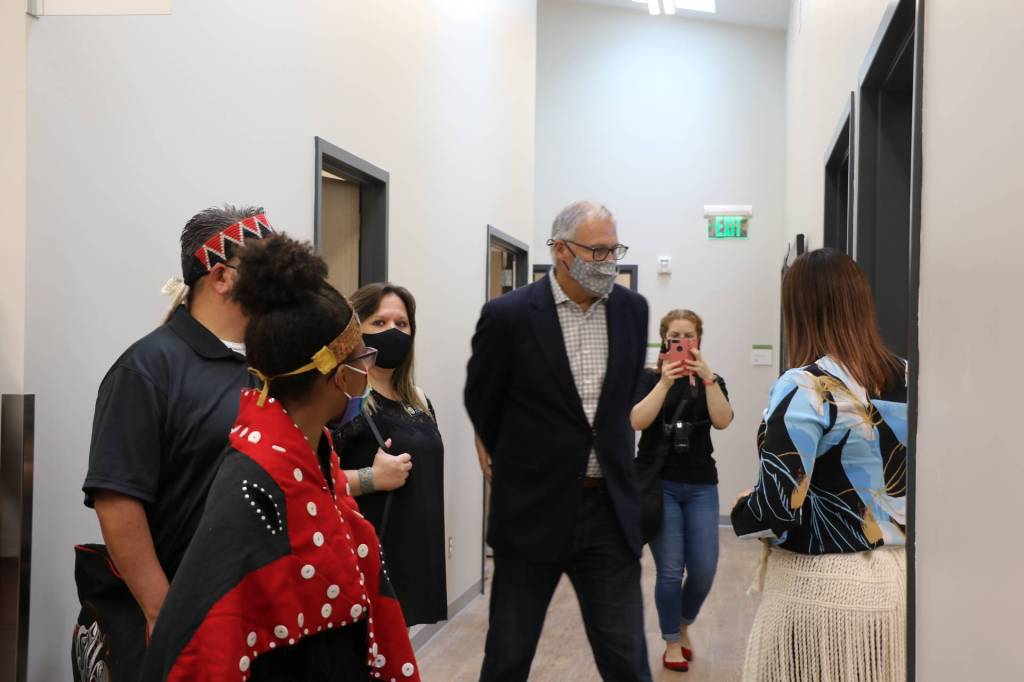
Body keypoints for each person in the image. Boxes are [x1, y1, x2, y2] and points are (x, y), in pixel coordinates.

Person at [139, 235, 419, 681]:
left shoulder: (313, 456)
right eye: (360, 356)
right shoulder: (254, 482)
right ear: (333, 375)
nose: (367, 368)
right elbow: (218, 640)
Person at [73, 206, 273, 681]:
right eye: (266, 268)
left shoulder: (265, 365)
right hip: (186, 620)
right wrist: (165, 614)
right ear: (222, 277)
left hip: (252, 614)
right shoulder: (147, 369)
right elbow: (117, 500)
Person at [465, 200, 652, 682]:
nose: (609, 261)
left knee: (629, 662)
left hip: (608, 512)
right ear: (562, 251)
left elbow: (624, 394)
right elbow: (482, 399)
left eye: (615, 249)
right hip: (532, 512)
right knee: (508, 658)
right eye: (598, 251)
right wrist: (519, 461)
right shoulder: (508, 316)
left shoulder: (633, 310)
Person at [732, 248, 908, 682]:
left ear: (799, 309)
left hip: (820, 593)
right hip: (898, 585)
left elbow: (776, 508)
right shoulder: (906, 375)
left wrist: (741, 509)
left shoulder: (804, 386)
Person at [332, 283, 447, 627]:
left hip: (414, 558)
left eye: (402, 324)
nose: (393, 332)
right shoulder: (343, 402)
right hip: (366, 558)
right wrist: (371, 478)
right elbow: (310, 480)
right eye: (379, 323)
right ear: (357, 331)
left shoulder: (419, 399)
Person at [630, 309, 733, 673]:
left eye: (688, 336)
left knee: (704, 568)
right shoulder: (647, 378)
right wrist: (663, 383)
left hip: (702, 484)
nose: (682, 343)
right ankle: (672, 640)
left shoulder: (713, 380)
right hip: (661, 485)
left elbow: (723, 420)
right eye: (675, 337)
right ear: (664, 341)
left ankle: (685, 621)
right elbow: (636, 421)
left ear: (698, 341)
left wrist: (707, 381)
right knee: (671, 571)